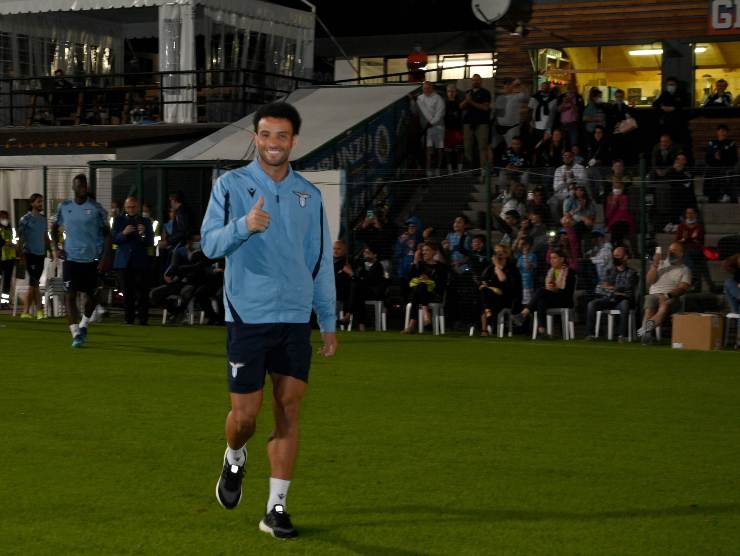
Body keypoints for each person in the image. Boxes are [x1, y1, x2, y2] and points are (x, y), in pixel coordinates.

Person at [200, 101, 336, 539]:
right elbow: (209, 245)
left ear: (294, 140)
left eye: (281, 136)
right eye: (265, 135)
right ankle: (234, 456)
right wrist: (244, 224)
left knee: (289, 409)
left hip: (295, 318)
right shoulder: (230, 185)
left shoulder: (310, 196)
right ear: (255, 138)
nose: (273, 143)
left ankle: (276, 508)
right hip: (249, 315)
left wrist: (327, 319)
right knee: (246, 417)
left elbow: (319, 263)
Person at [51, 174, 111, 348]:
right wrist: (56, 248)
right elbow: (53, 227)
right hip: (71, 259)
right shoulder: (65, 207)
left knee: (93, 296)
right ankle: (75, 332)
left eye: (85, 185)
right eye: (79, 185)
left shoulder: (96, 208)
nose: (83, 188)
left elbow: (108, 233)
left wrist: (106, 257)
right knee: (70, 295)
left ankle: (84, 324)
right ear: (73, 187)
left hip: (91, 259)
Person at [511, 249, 576, 339]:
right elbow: (548, 288)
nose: (551, 260)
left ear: (562, 259)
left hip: (564, 299)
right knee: (541, 301)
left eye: (554, 258)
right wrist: (551, 289)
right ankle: (542, 332)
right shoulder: (550, 271)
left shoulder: (569, 272)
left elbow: (567, 292)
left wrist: (554, 288)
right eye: (550, 258)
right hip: (553, 298)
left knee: (541, 292)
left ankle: (523, 314)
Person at [112, 196, 153, 325]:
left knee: (142, 292)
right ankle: (128, 318)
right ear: (125, 207)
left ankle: (143, 319)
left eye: (133, 207)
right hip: (124, 261)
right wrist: (123, 233)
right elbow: (114, 239)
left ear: (138, 207)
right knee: (127, 292)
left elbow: (150, 242)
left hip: (140, 261)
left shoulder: (146, 222)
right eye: (129, 207)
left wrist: (143, 234)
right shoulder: (118, 221)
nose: (131, 209)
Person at [640, 242, 691, 345]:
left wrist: (667, 295)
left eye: (674, 251)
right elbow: (649, 281)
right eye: (669, 250)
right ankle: (647, 334)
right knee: (650, 302)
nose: (670, 252)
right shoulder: (660, 264)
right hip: (654, 294)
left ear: (681, 254)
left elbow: (683, 288)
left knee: (664, 305)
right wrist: (655, 265)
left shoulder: (685, 270)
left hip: (671, 297)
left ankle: (647, 328)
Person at [584, 246, 638, 341]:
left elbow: (628, 290)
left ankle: (622, 336)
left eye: (618, 256)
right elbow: (603, 287)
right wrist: (615, 289)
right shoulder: (610, 271)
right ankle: (590, 335)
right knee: (591, 304)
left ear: (625, 257)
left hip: (623, 300)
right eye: (614, 256)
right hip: (609, 299)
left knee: (625, 304)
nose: (615, 258)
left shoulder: (632, 273)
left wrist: (612, 288)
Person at [402, 242, 448, 333]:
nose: (424, 252)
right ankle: (426, 315)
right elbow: (410, 279)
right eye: (423, 250)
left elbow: (441, 284)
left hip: (434, 294)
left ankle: (412, 324)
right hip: (419, 293)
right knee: (420, 287)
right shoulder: (420, 264)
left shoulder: (441, 267)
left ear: (434, 252)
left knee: (421, 288)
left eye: (427, 250)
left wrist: (429, 280)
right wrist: (415, 262)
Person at [17, 193, 50, 318]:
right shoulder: (25, 219)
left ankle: (34, 311)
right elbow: (20, 238)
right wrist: (20, 255)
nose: (41, 204)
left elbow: (45, 236)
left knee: (34, 282)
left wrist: (50, 251)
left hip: (41, 254)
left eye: (42, 201)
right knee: (34, 281)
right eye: (38, 202)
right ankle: (31, 311)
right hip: (29, 253)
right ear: (32, 204)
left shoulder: (43, 219)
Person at [478, 244, 522, 336]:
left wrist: (497, 265)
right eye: (496, 253)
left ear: (506, 255)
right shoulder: (490, 268)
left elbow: (503, 280)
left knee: (485, 300)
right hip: (490, 298)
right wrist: (483, 284)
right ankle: (486, 322)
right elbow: (482, 281)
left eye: (500, 253)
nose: (497, 255)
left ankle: (486, 326)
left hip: (506, 298)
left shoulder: (511, 268)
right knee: (484, 292)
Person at [344, 245, 386, 331]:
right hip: (362, 292)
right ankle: (361, 325)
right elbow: (360, 280)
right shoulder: (361, 265)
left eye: (368, 253)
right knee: (357, 292)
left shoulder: (378, 266)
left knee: (356, 288)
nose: (365, 255)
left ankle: (348, 315)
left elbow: (369, 281)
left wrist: (353, 275)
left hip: (373, 292)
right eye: (364, 253)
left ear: (375, 255)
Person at [675, 207, 715, 293]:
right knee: (689, 254)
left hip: (697, 250)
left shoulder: (699, 226)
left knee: (700, 260)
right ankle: (704, 284)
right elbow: (677, 241)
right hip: (686, 250)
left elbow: (701, 241)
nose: (689, 215)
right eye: (687, 213)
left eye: (691, 213)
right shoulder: (681, 226)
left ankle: (703, 284)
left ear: (695, 214)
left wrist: (687, 239)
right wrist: (687, 239)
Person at [413, 81, 446, 176]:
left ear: (432, 88)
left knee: (439, 148)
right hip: (426, 128)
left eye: (428, 88)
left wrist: (432, 122)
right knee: (428, 149)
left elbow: (440, 113)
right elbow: (415, 111)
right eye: (424, 88)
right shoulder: (419, 98)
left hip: (438, 127)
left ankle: (438, 169)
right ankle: (428, 170)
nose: (426, 90)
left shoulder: (438, 99)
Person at [460, 73, 491, 169]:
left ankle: (483, 172)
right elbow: (460, 106)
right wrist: (466, 100)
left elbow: (485, 108)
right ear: (471, 81)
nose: (475, 81)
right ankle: (469, 170)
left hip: (482, 123)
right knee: (467, 148)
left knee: (482, 148)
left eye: (477, 80)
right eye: (474, 80)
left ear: (481, 81)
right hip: (468, 123)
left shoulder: (485, 93)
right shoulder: (467, 92)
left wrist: (470, 102)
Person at [549, 150, 587, 223]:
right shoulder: (559, 169)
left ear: (573, 157)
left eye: (569, 156)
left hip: (575, 194)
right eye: (564, 156)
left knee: (572, 199)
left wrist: (574, 178)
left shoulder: (580, 168)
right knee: (553, 201)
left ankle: (570, 223)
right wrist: (564, 182)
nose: (566, 158)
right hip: (562, 194)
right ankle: (558, 224)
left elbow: (584, 183)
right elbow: (555, 188)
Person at [704, 124, 738, 203]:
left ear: (727, 133)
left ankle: (727, 195)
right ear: (717, 132)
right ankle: (711, 198)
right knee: (711, 176)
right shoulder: (712, 143)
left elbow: (734, 158)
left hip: (726, 168)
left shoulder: (731, 143)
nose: (722, 133)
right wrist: (715, 157)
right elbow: (707, 158)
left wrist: (722, 156)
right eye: (720, 130)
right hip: (714, 169)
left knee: (727, 175)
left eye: (724, 131)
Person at [495, 78, 528, 148]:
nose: (506, 87)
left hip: (512, 128)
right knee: (498, 148)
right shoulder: (500, 98)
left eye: (508, 85)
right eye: (505, 86)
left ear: (512, 87)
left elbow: (526, 94)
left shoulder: (517, 97)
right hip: (499, 128)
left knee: (512, 147)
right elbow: (498, 112)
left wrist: (520, 84)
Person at [652, 77, 687, 142]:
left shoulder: (681, 93)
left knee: (677, 138)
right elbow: (655, 104)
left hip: (678, 121)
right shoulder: (665, 94)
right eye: (669, 85)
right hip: (666, 121)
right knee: (667, 138)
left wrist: (674, 108)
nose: (670, 86)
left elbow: (685, 104)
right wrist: (662, 108)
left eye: (672, 84)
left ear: (676, 85)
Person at [604, 177, 635, 248]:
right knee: (616, 229)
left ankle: (616, 246)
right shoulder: (609, 198)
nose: (617, 189)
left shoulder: (625, 198)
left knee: (618, 227)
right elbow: (608, 214)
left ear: (622, 188)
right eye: (615, 187)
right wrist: (614, 204)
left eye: (619, 187)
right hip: (613, 223)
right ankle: (617, 247)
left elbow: (624, 212)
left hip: (625, 221)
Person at [528, 81, 557, 147]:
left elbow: (553, 115)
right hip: (535, 126)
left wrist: (549, 129)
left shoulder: (554, 99)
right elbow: (529, 111)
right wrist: (530, 125)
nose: (544, 88)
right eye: (543, 86)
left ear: (549, 88)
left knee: (545, 146)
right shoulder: (534, 98)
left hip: (547, 127)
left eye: (546, 87)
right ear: (541, 87)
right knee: (534, 145)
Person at [557, 81, 584, 148]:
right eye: (570, 87)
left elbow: (579, 110)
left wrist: (571, 102)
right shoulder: (562, 96)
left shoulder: (578, 97)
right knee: (562, 143)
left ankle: (574, 157)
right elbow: (558, 110)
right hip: (563, 124)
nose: (572, 89)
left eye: (573, 87)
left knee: (574, 143)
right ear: (568, 88)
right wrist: (564, 102)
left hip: (573, 124)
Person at [443, 83, 464, 172]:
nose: (451, 93)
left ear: (455, 92)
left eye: (452, 91)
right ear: (447, 92)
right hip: (447, 129)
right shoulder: (443, 103)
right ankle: (449, 169)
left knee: (459, 150)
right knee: (448, 150)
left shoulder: (460, 102)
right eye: (449, 91)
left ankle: (459, 169)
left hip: (458, 129)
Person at [515, 237, 537, 305]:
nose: (523, 247)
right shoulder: (520, 256)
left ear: (528, 245)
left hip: (528, 283)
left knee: (528, 303)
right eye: (522, 245)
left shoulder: (533, 256)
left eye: (524, 245)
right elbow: (517, 267)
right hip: (520, 283)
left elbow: (527, 268)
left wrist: (526, 255)